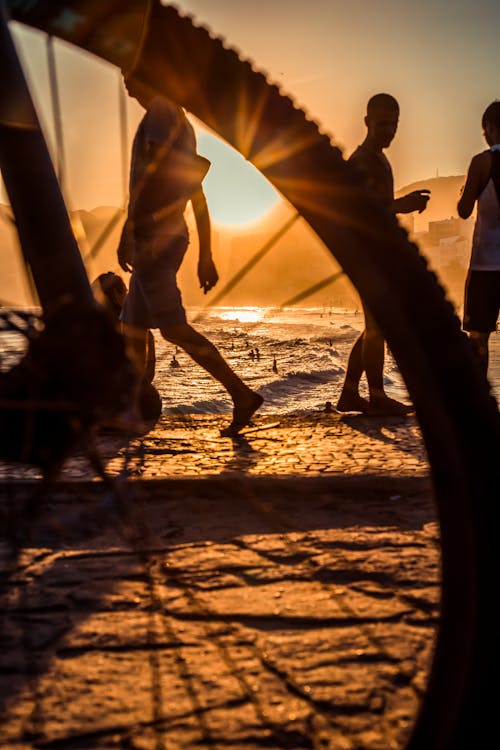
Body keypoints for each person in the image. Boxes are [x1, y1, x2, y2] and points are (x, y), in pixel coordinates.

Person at [117, 75, 263, 433]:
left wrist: (129, 228)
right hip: (166, 233)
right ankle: (129, 411)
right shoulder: (178, 119)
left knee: (174, 329)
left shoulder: (160, 110)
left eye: (128, 75)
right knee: (132, 328)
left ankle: (241, 394)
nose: (127, 86)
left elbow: (152, 175)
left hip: (156, 235)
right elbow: (197, 193)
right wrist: (205, 252)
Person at [336, 93, 431, 415]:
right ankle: (376, 396)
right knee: (378, 327)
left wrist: (402, 204)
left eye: (394, 125)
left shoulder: (378, 157)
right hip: (367, 255)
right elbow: (363, 210)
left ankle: (349, 394)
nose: (389, 131)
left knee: (373, 326)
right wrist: (403, 205)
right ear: (366, 122)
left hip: (376, 254)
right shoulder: (362, 160)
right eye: (382, 124)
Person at [457, 100, 500, 376]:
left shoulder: (482, 162)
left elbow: (463, 210)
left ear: (489, 128)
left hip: (486, 265)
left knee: (478, 339)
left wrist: (464, 190)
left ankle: (477, 406)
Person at [91, 271, 162, 424]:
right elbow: (148, 373)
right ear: (117, 295)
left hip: (100, 403)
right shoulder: (138, 328)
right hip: (139, 405)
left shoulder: (90, 327)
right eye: (126, 291)